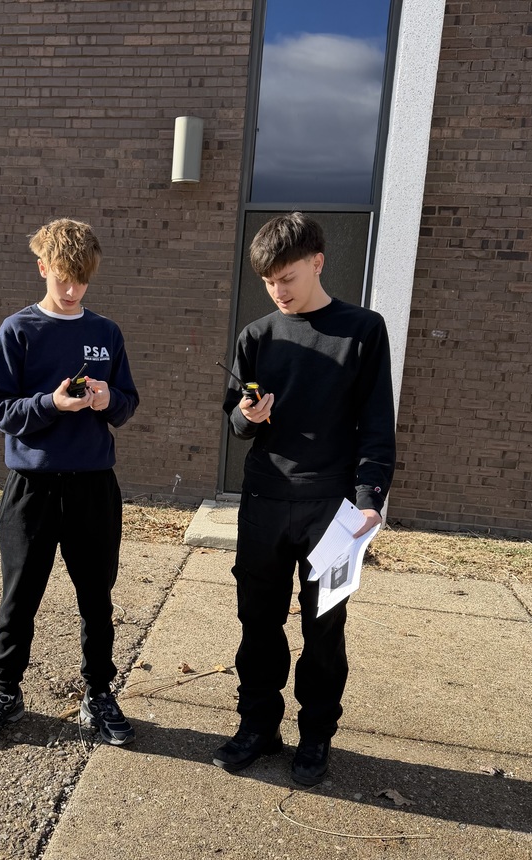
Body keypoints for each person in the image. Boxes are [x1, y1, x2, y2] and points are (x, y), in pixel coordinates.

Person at [213, 212, 396, 786]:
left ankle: (316, 736)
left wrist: (370, 497)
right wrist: (247, 416)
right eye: (269, 282)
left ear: (317, 262)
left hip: (335, 510)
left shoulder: (363, 330)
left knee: (324, 627)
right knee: (258, 622)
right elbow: (235, 419)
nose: (279, 291)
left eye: (287, 277)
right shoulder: (257, 336)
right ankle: (257, 727)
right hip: (265, 500)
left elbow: (376, 424)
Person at [0, 218, 139, 746]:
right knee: (20, 595)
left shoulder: (106, 333)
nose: (71, 289)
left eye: (81, 279)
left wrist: (108, 400)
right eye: (63, 276)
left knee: (96, 596)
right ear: (43, 268)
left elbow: (127, 404)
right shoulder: (18, 330)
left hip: (92, 486)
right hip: (32, 486)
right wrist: (50, 404)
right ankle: (6, 691)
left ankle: (99, 692)